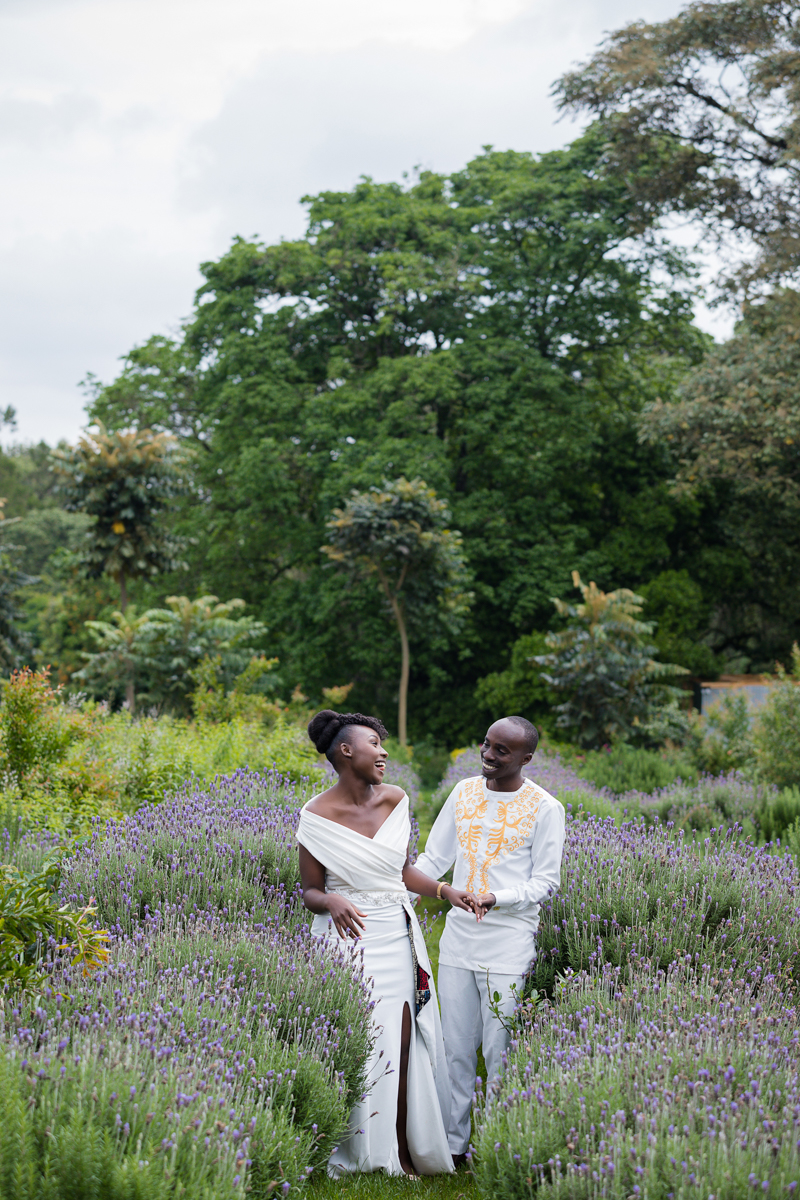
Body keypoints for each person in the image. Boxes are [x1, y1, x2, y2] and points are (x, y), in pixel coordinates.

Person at [296, 709, 478, 1178]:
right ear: (346, 751)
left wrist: (444, 891)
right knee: (359, 1039)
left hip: (397, 934)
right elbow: (310, 890)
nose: (384, 752)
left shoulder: (396, 799)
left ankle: (401, 1146)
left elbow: (399, 871)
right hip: (346, 939)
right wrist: (330, 900)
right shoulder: (314, 816)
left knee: (402, 1038)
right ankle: (354, 1145)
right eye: (374, 744)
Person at [414, 715, 565, 1165]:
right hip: (459, 941)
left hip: (509, 943)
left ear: (526, 758)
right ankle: (454, 1145)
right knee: (456, 1047)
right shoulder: (462, 794)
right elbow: (433, 858)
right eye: (486, 744)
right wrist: (396, 898)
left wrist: (498, 897)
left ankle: (498, 1142)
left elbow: (547, 881)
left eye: (502, 750)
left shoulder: (545, 808)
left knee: (500, 1050)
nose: (488, 754)